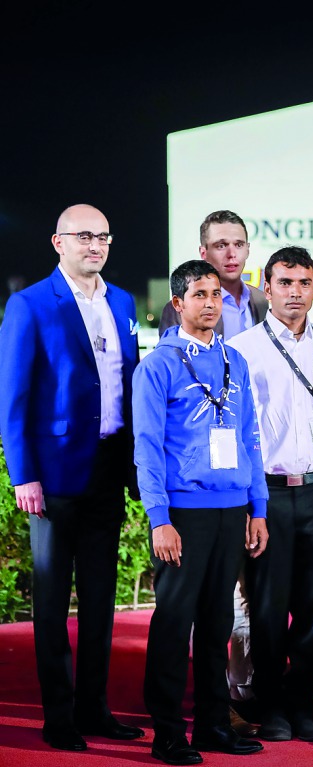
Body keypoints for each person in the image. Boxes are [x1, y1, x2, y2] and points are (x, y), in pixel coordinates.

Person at [0, 205, 143, 751]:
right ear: (58, 241)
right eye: (84, 236)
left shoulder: (123, 302)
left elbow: (128, 385)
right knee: (53, 605)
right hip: (53, 477)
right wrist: (23, 474)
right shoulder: (30, 304)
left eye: (104, 236)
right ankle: (58, 716)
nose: (96, 245)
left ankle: (94, 709)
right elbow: (12, 397)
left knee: (102, 603)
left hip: (109, 467)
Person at [135, 260, 269, 764]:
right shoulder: (158, 366)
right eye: (199, 294)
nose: (211, 303)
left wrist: (258, 508)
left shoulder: (235, 361)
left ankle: (215, 725)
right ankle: (167, 732)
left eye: (216, 294)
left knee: (217, 623)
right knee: (173, 622)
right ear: (178, 304)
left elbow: (250, 439)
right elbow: (146, 447)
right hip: (183, 515)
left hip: (232, 509)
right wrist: (159, 518)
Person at [226, 247, 313, 743]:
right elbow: (235, 432)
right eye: (284, 282)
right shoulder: (244, 350)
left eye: (304, 282)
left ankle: (303, 705)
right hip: (270, 495)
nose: (295, 292)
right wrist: (253, 506)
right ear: (267, 286)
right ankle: (271, 705)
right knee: (270, 607)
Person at [159, 210, 269, 339]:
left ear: (247, 250)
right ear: (203, 253)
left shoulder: (261, 300)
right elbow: (173, 356)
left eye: (239, 245)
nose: (232, 254)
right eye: (221, 246)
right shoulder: (181, 307)